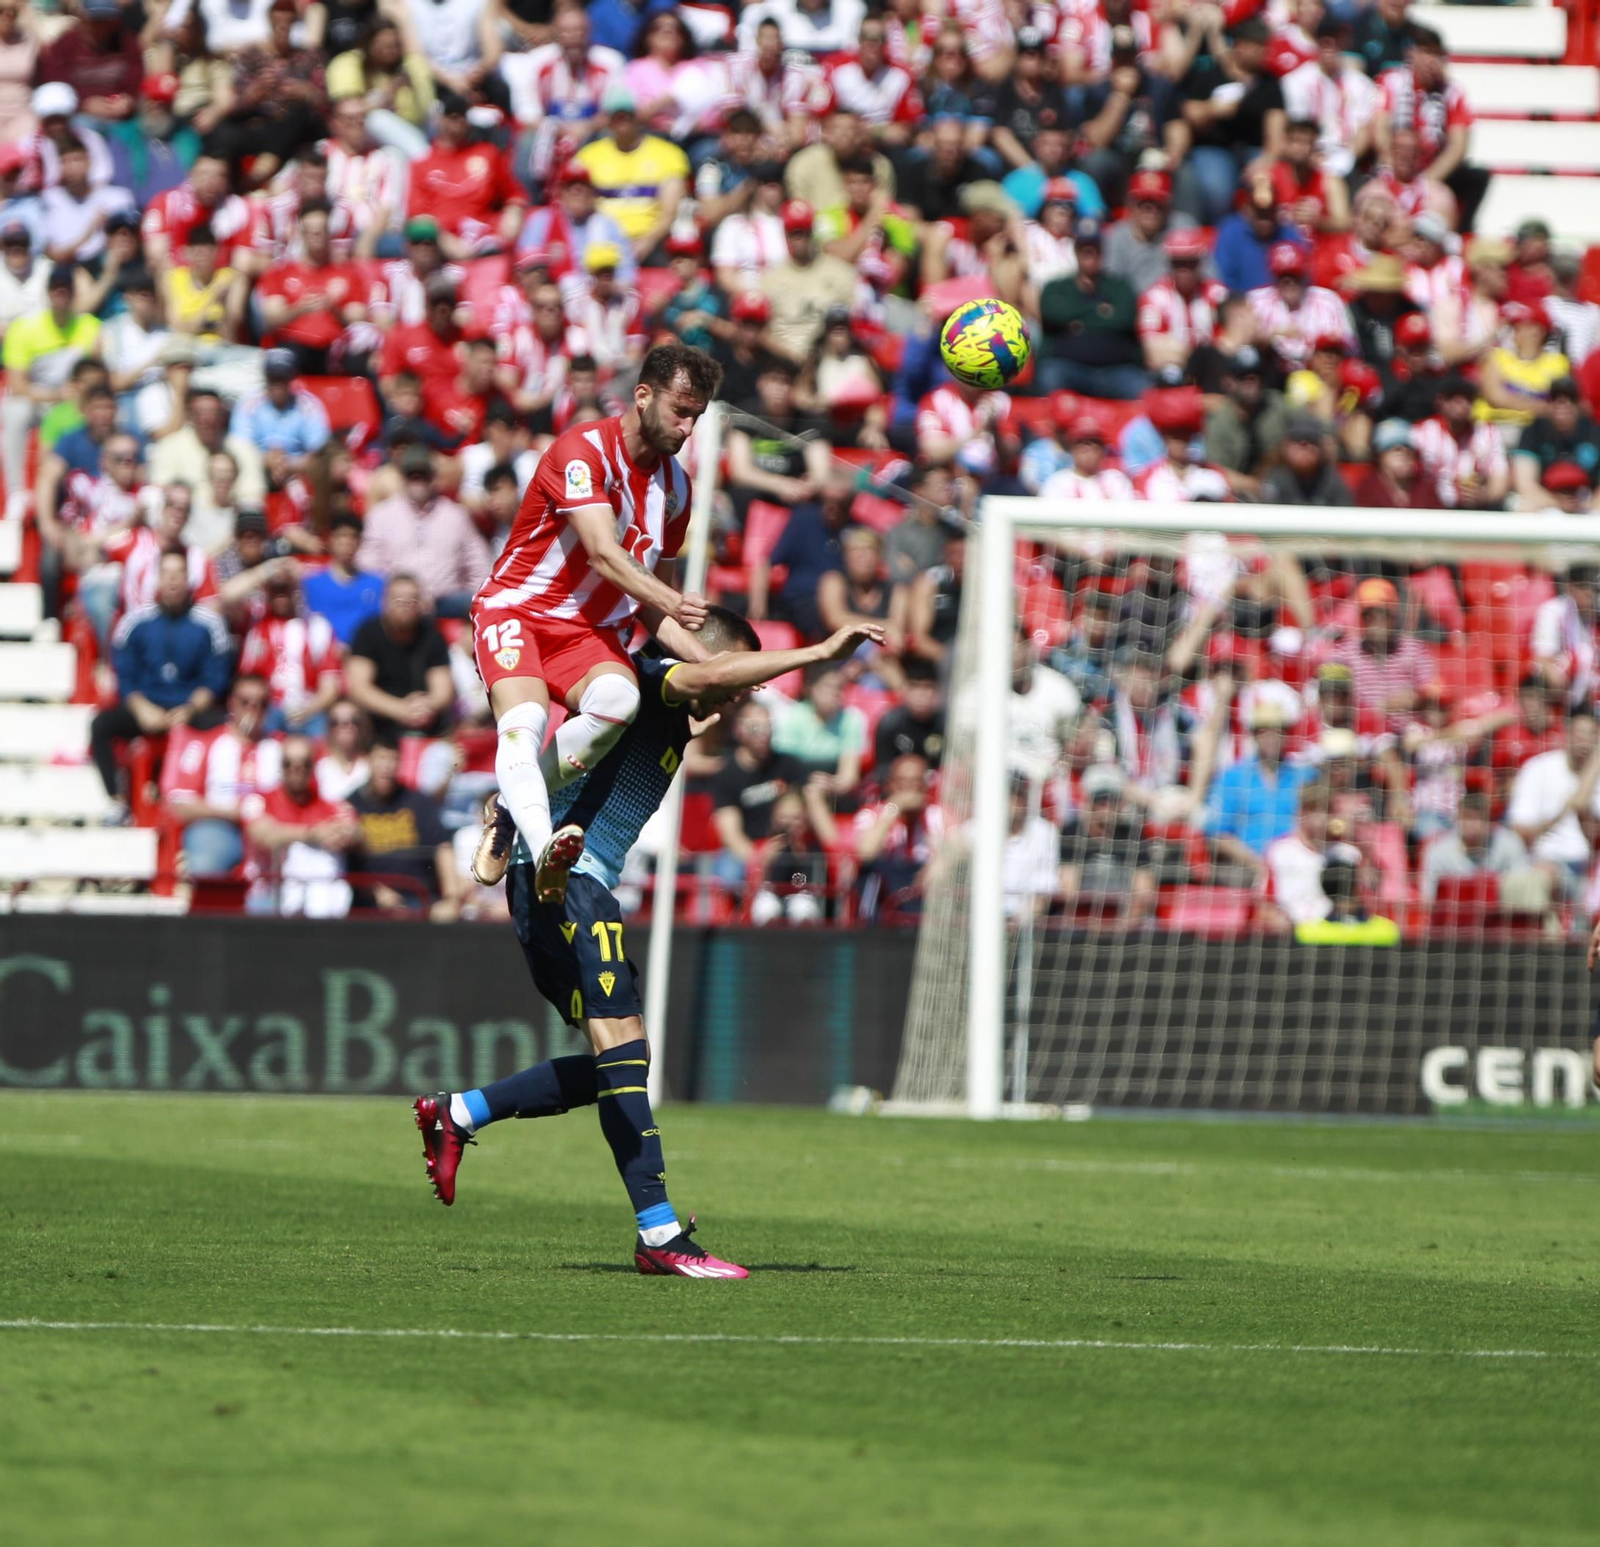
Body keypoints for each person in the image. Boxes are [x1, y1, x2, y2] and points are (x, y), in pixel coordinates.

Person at [414, 615, 884, 1277]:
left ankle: (461, 1112)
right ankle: (659, 1234)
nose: (736, 697)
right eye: (734, 680)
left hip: (565, 878)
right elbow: (709, 673)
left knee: (623, 1056)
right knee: (624, 1046)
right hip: (566, 874)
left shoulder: (665, 704)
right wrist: (820, 651)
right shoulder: (655, 680)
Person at [465, 342, 719, 905]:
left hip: (588, 633)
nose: (687, 425)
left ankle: (508, 808)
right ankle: (541, 842)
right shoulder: (582, 451)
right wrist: (674, 602)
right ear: (643, 395)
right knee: (526, 716)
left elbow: (654, 607)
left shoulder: (676, 491)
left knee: (619, 702)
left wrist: (712, 667)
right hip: (518, 609)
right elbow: (605, 554)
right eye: (679, 410)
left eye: (696, 416)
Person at [90, 549, 232, 812]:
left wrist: (189, 711)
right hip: (147, 707)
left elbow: (215, 679)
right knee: (101, 725)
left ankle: (211, 796)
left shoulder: (210, 623)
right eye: (166, 574)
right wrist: (142, 709)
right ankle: (115, 799)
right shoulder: (134, 622)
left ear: (189, 578)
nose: (172, 581)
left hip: (190, 708)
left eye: (178, 574)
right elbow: (125, 674)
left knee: (226, 728)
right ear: (157, 579)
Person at [162, 672, 283, 878]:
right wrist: (231, 812)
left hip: (271, 829)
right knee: (208, 860)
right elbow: (179, 804)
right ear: (231, 703)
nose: (252, 709)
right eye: (246, 702)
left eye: (261, 703)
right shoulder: (204, 743)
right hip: (217, 824)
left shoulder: (282, 746)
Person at [358, 444, 490, 615]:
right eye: (412, 475)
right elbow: (368, 565)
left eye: (423, 475)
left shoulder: (455, 515)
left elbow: (480, 565)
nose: (418, 481)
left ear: (433, 477)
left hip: (445, 604)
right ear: (403, 478)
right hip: (398, 606)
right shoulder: (381, 516)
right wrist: (401, 594)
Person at [242, 732, 361, 917]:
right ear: (281, 767)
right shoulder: (258, 800)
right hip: (268, 892)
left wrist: (340, 835)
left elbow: (353, 830)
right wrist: (313, 834)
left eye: (304, 764)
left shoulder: (328, 802)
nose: (297, 770)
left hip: (318, 897)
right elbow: (265, 835)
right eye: (290, 764)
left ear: (312, 767)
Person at [347, 732, 465, 917]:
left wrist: (451, 899)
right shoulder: (351, 805)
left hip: (419, 900)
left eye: (393, 759)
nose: (386, 766)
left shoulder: (418, 802)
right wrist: (377, 892)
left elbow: (443, 847)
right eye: (381, 758)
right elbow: (348, 864)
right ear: (367, 760)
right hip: (370, 904)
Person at [1202, 700, 1315, 881]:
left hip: (1297, 865)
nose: (1271, 737)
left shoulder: (1306, 775)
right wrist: (1259, 865)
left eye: (1277, 730)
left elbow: (1314, 823)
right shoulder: (1232, 777)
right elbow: (1218, 835)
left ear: (1286, 734)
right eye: (1263, 731)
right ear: (1253, 735)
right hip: (1246, 868)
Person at [1037, 220, 1145, 400]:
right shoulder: (1055, 287)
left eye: (1095, 247)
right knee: (1050, 377)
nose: (1090, 252)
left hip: (1116, 370)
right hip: (1067, 367)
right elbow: (1050, 314)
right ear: (1076, 250)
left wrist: (1075, 321)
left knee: (1141, 388)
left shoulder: (1121, 287)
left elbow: (1125, 318)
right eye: (1084, 247)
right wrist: (1100, 312)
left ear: (1103, 251)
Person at [1505, 708, 1600, 901]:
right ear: (1567, 734)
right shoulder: (1539, 768)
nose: (1585, 740)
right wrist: (1557, 818)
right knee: (1537, 876)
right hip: (1544, 861)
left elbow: (1587, 819)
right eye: (1580, 733)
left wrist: (1594, 764)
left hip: (1590, 869)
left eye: (1592, 734)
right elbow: (1519, 828)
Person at [346, 573, 455, 738]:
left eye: (411, 601)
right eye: (398, 600)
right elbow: (359, 688)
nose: (405, 606)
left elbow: (443, 690)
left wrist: (426, 705)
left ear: (421, 604)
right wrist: (401, 710)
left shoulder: (432, 635)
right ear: (384, 602)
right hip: (378, 728)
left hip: (426, 724)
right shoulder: (367, 633)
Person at [1330, 576, 1435, 732]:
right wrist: (1379, 708)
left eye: (1383, 614)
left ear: (1393, 616)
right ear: (1361, 619)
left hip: (1408, 733)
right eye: (1369, 615)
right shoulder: (1344, 653)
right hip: (1362, 734)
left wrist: (1418, 697)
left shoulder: (1413, 649)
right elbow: (1329, 698)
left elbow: (1434, 691)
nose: (1376, 621)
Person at [1058, 762, 1157, 925]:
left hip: (1125, 921)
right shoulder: (1072, 832)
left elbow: (1144, 892)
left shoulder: (1133, 835)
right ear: (1088, 802)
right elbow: (1068, 893)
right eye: (1101, 800)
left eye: (1113, 800)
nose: (1107, 807)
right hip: (1080, 923)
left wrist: (1119, 928)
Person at [1420, 789, 1528, 906]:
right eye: (1467, 817)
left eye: (1478, 818)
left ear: (1489, 821)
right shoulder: (1438, 852)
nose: (1472, 824)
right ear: (1458, 818)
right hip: (1454, 918)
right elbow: (1428, 900)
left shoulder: (1509, 844)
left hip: (1500, 916)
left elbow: (1522, 888)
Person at [1513, 377, 1600, 510]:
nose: (1563, 403)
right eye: (1555, 398)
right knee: (1523, 505)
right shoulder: (1534, 431)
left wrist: (1589, 505)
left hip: (1587, 503)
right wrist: (1556, 504)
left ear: (1580, 405)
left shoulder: (1595, 433)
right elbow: (1526, 484)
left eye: (1570, 398)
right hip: (1545, 501)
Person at [302, 511, 384, 645]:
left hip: (363, 654)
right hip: (325, 656)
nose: (347, 543)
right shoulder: (312, 584)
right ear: (331, 540)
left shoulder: (376, 584)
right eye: (341, 536)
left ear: (360, 542)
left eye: (353, 537)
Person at [874, 655, 945, 770]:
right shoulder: (890, 723)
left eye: (928, 687)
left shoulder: (946, 725)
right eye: (914, 686)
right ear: (905, 691)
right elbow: (883, 770)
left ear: (937, 692)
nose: (921, 694)